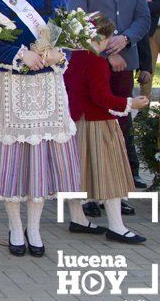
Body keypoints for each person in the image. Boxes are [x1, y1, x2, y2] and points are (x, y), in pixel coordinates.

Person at [0, 0, 80, 258]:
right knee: (12, 158)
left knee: (39, 158)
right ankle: (13, 227)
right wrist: (20, 54)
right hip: (10, 82)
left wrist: (57, 53)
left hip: (45, 84)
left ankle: (35, 227)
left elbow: (66, 35)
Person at [67, 0, 150, 193]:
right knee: (90, 126)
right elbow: (76, 18)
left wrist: (124, 39)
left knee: (120, 125)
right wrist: (105, 50)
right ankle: (88, 193)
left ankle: (119, 191)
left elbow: (142, 18)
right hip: (90, 61)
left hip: (126, 58)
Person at [64, 13, 149, 244]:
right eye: (108, 38)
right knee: (110, 174)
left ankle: (78, 218)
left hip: (77, 123)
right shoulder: (97, 61)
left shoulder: (74, 57)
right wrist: (131, 104)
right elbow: (101, 97)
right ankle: (116, 226)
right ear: (100, 37)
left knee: (78, 173)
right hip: (99, 123)